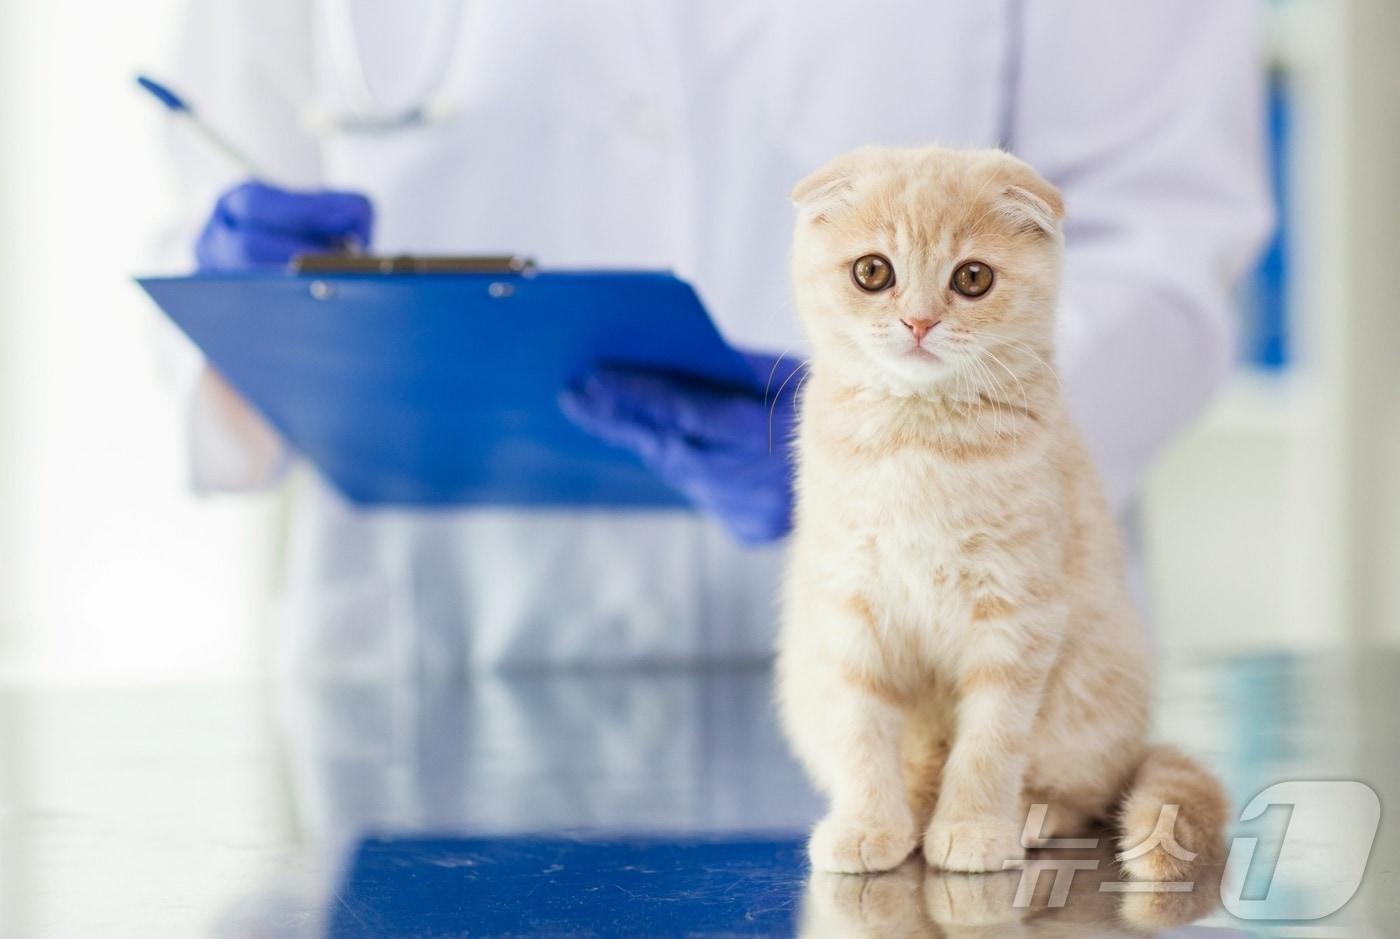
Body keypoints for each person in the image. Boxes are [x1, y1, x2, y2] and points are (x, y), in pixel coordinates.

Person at [160, 0, 1271, 677]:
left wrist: (920, 458)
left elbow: (1163, 231)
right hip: (442, 658)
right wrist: (242, 316)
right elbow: (218, 186)